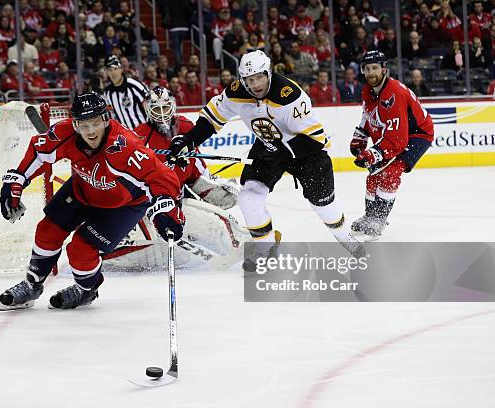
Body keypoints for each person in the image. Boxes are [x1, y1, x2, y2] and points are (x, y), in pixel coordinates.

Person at [167, 50, 363, 271]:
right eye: (249, 80)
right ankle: (265, 249)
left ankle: (347, 239)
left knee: (324, 206)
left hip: (307, 152)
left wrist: (280, 151)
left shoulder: (289, 96)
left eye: (259, 77)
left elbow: (315, 140)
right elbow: (211, 120)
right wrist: (188, 141)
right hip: (269, 146)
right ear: (242, 80)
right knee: (249, 198)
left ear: (269, 73)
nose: (255, 84)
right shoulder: (236, 93)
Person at [0, 92, 184, 311]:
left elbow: (159, 176)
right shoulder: (64, 132)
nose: (91, 131)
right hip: (83, 188)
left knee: (80, 250)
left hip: (124, 204)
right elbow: (39, 151)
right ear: (75, 124)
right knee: (47, 230)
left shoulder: (124, 147)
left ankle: (86, 290)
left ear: (106, 119)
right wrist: (17, 180)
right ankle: (31, 285)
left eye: (96, 123)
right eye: (84, 125)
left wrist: (165, 208)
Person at [106, 86, 244, 267]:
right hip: (149, 206)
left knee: (215, 225)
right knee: (146, 250)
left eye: (165, 108)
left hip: (180, 202)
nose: (162, 113)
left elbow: (196, 170)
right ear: (148, 110)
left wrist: (210, 188)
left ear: (173, 106)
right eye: (157, 109)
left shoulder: (186, 128)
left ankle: (243, 243)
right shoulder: (139, 137)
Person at [349, 51, 433, 238]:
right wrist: (361, 135)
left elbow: (399, 140)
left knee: (391, 170)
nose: (370, 72)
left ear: (384, 69)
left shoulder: (393, 93)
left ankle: (379, 219)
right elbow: (367, 115)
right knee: (373, 174)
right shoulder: (367, 89)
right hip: (396, 134)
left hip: (417, 135)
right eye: (367, 68)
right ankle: (370, 215)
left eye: (375, 68)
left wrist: (372, 153)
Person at [103, 54, 150, 129]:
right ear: (107, 72)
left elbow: (150, 105)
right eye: (110, 70)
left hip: (143, 132)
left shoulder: (134, 85)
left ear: (121, 69)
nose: (113, 73)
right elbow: (111, 115)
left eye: (115, 69)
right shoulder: (107, 93)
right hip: (126, 136)